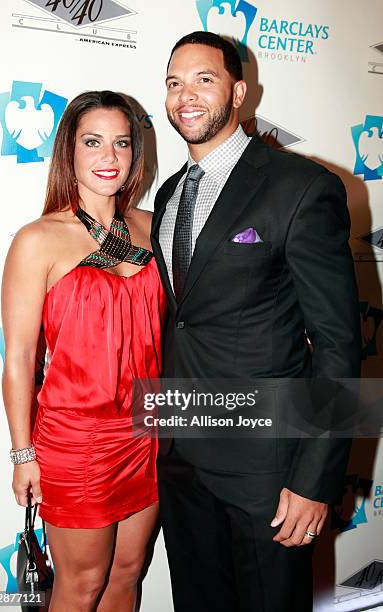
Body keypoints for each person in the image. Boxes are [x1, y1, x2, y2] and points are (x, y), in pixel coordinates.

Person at [151, 32, 361, 611]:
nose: (185, 96)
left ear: (239, 91)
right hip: (181, 457)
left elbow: (340, 345)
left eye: (204, 80)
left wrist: (316, 478)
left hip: (268, 470)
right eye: (174, 83)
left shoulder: (301, 188)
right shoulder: (170, 194)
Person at [2, 91, 166, 612]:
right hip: (77, 442)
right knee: (80, 585)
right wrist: (23, 454)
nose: (109, 157)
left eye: (121, 143)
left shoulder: (151, 224)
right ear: (68, 152)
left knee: (127, 573)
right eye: (92, 142)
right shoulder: (39, 239)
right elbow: (19, 360)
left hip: (146, 433)